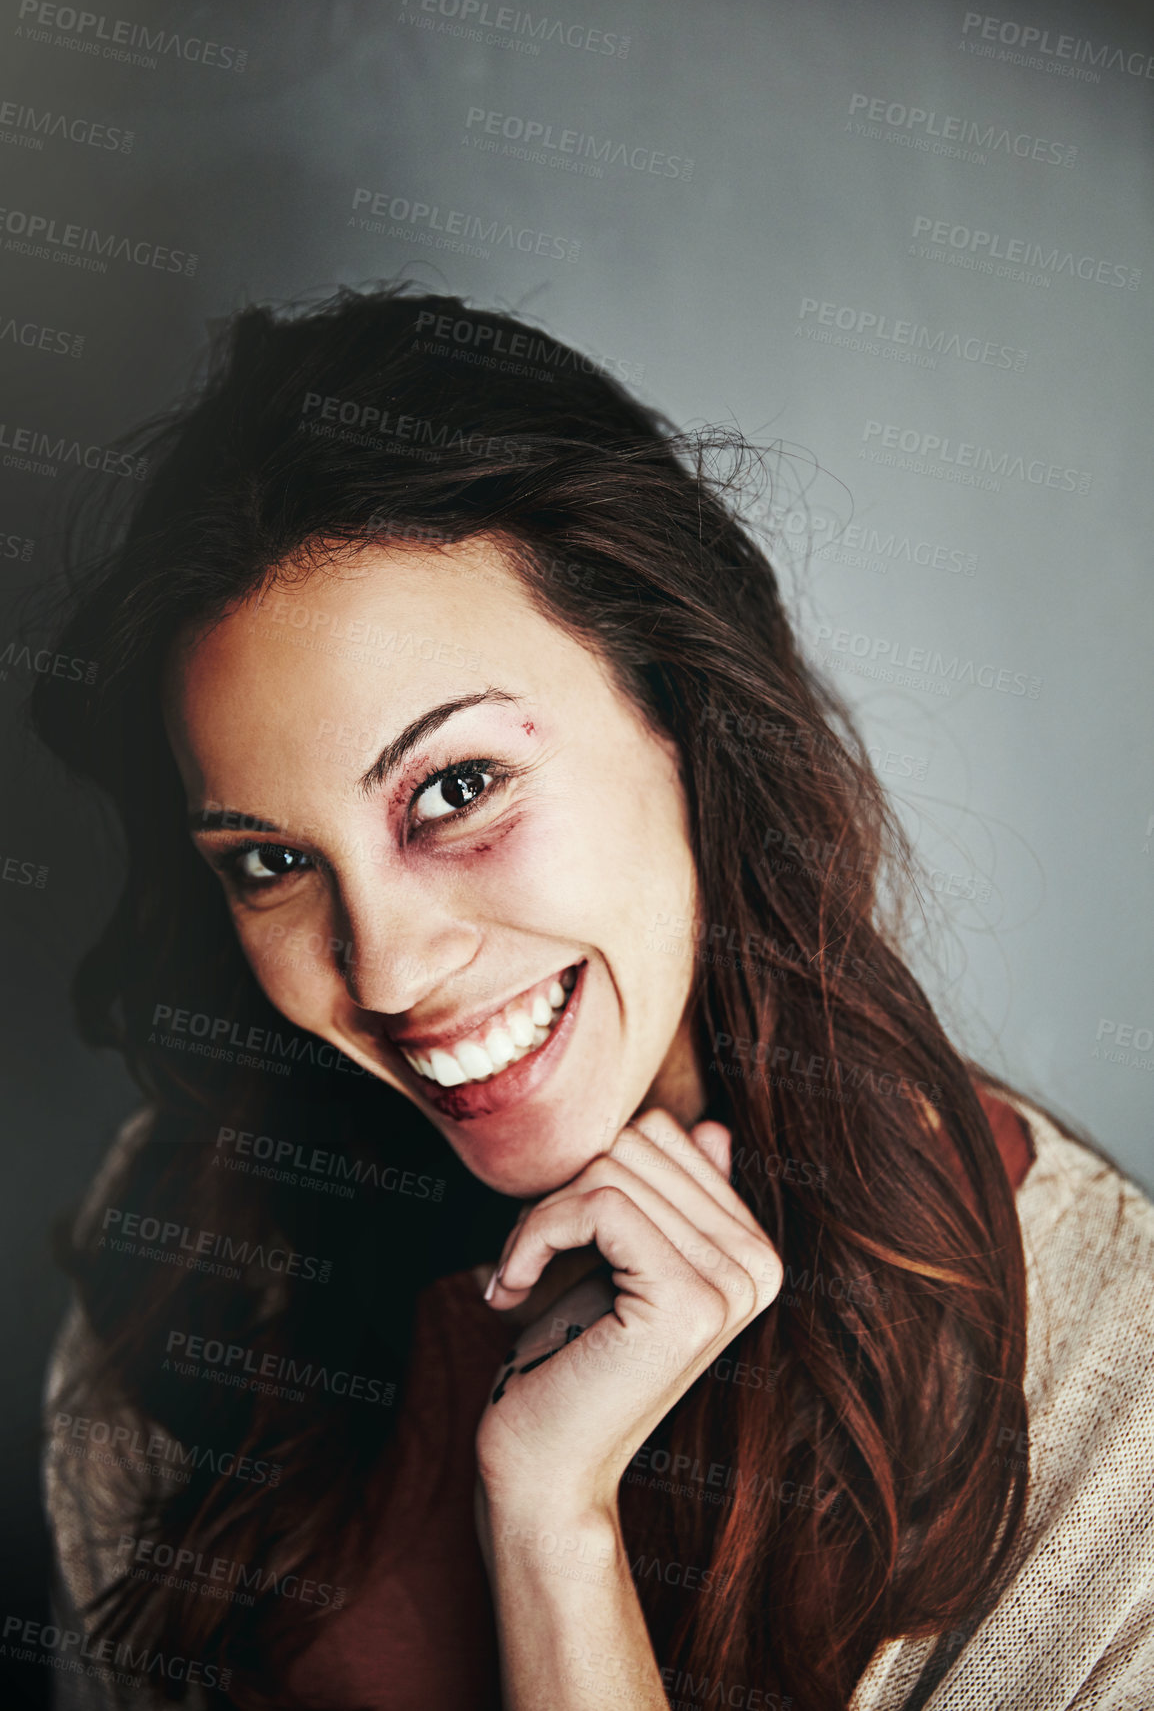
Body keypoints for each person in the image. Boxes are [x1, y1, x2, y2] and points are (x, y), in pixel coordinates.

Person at [34, 287, 1154, 1711]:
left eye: (455, 789)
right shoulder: (200, 1244)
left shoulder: (1117, 1429)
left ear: (685, 714)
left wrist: (554, 1525)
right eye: (268, 860)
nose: (383, 972)